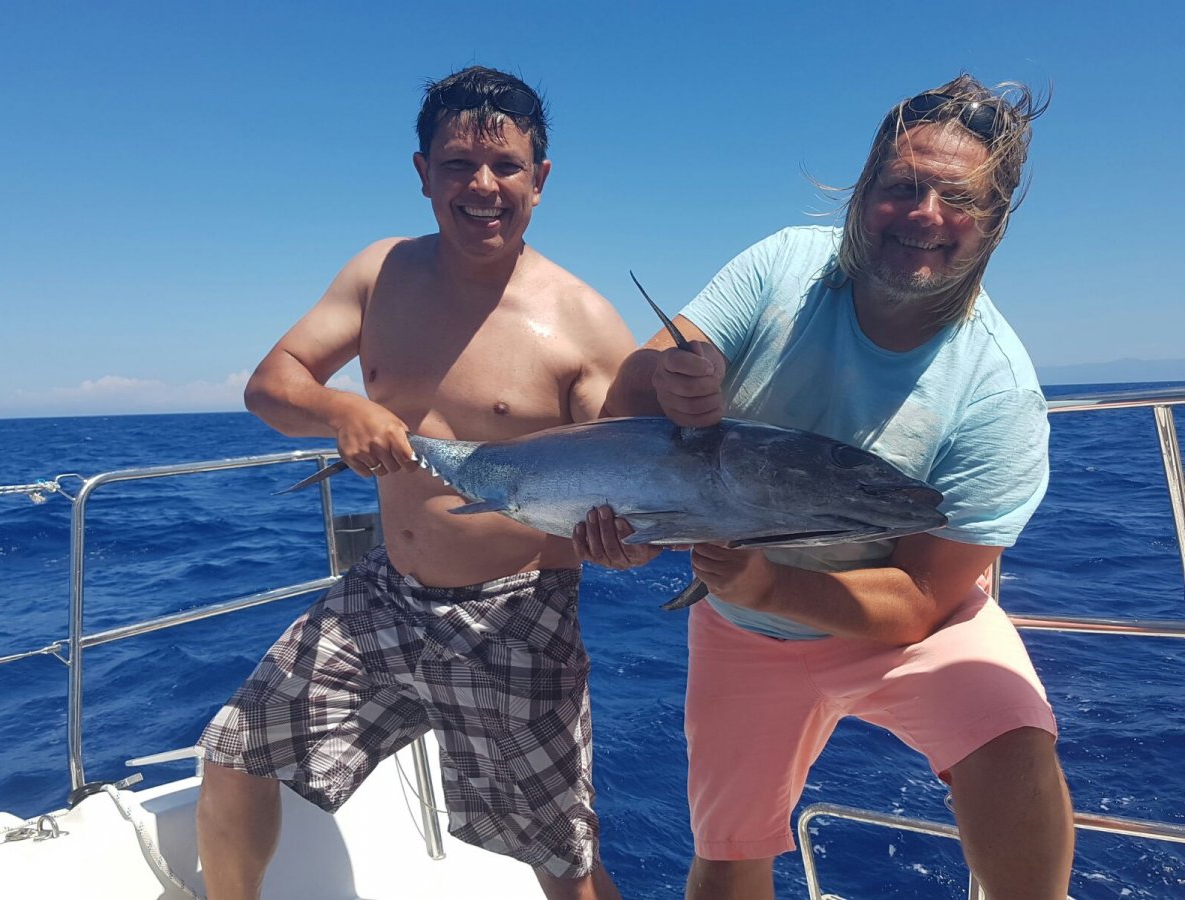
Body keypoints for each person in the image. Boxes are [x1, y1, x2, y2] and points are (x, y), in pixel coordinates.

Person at [578, 75, 1073, 899]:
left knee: (1012, 742)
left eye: (959, 197)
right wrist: (671, 383)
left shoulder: (998, 393)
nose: (924, 214)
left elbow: (920, 596)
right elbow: (625, 401)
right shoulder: (785, 266)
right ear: (861, 192)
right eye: (901, 186)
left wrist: (773, 578)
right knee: (729, 851)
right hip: (740, 624)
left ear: (996, 221)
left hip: (902, 624)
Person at [195, 66, 634, 900]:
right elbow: (270, 384)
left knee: (562, 861)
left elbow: (635, 505)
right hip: (383, 599)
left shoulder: (584, 323)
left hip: (519, 615)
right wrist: (339, 411)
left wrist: (627, 548)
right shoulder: (380, 272)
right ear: (422, 174)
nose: (482, 186)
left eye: (505, 166)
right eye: (457, 164)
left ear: (539, 181)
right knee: (234, 751)